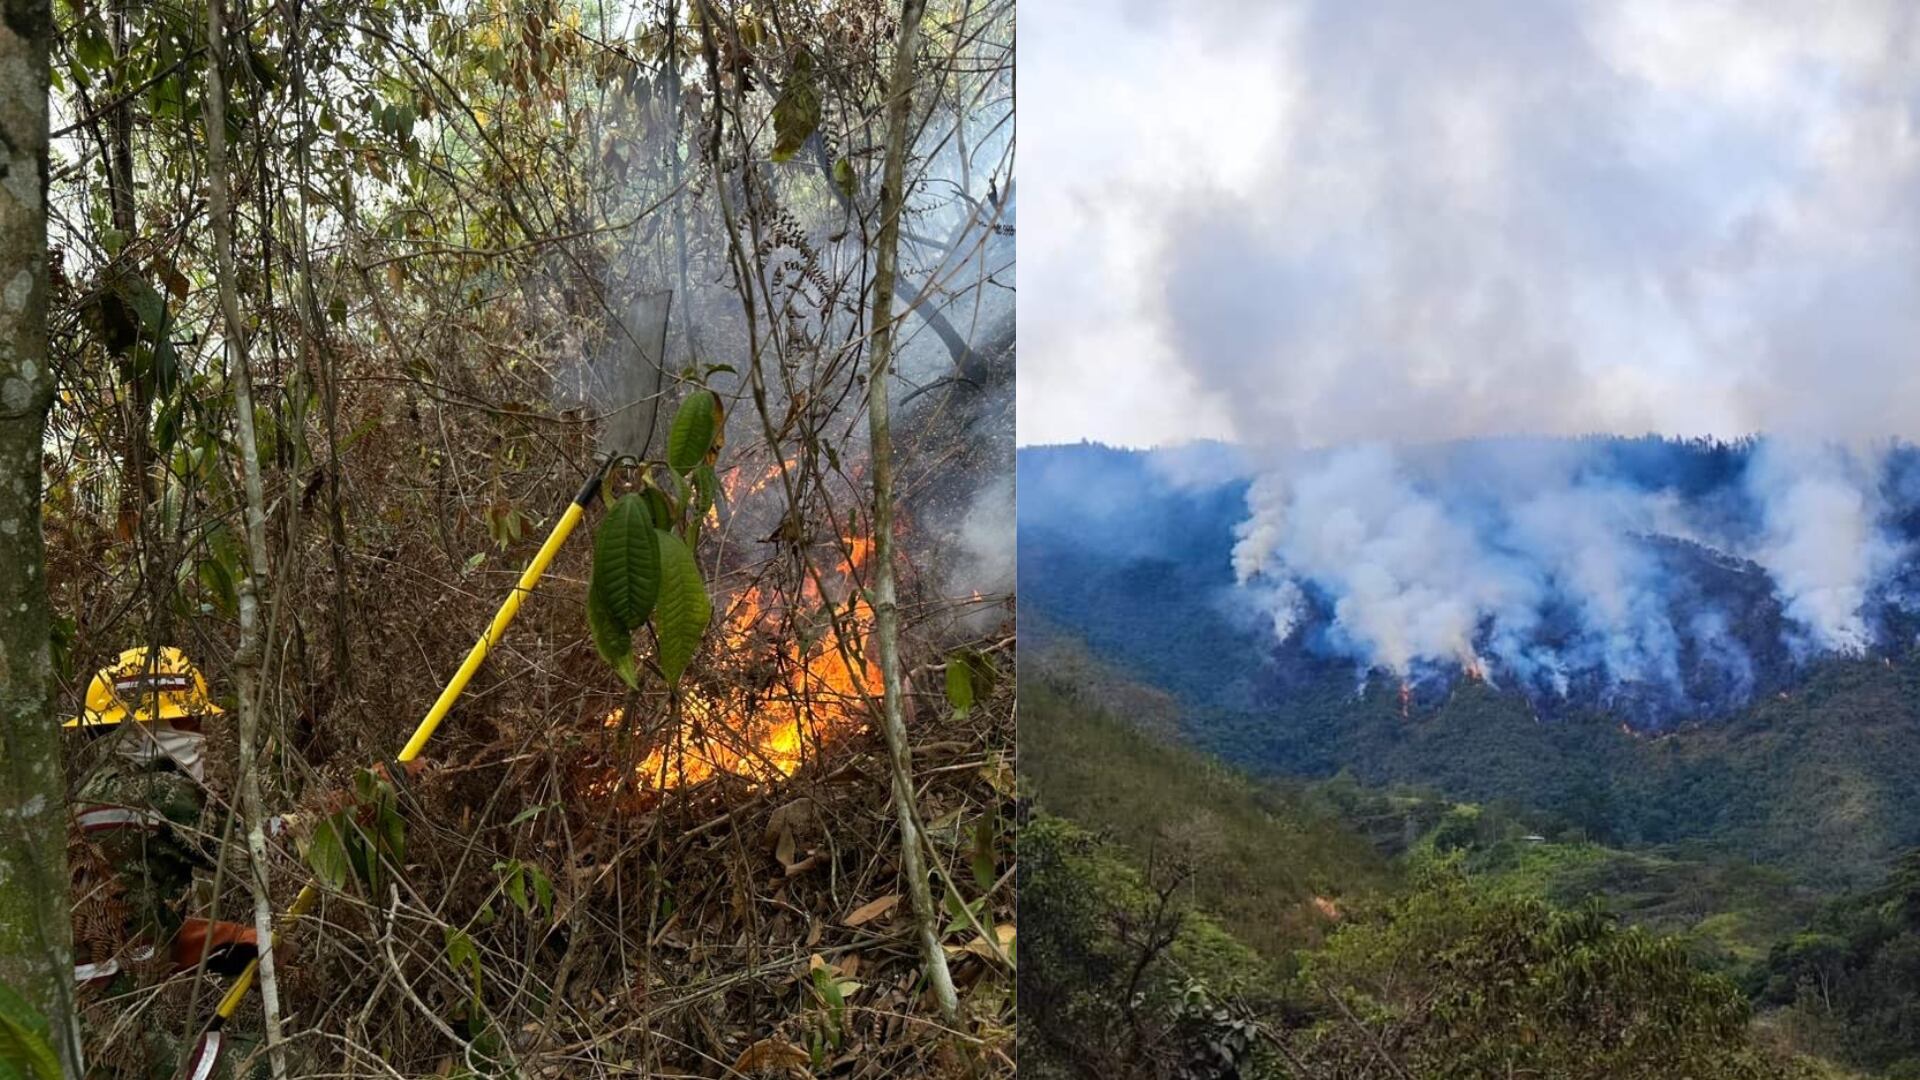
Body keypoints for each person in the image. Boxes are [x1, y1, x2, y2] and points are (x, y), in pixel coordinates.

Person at [66, 646, 264, 1075]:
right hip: (116, 1039)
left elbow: (124, 924)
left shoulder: (84, 797)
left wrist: (228, 941)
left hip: (68, 1029)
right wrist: (366, 795)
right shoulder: (160, 795)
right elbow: (267, 855)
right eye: (190, 721)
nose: (199, 734)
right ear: (148, 727)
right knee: (278, 1064)